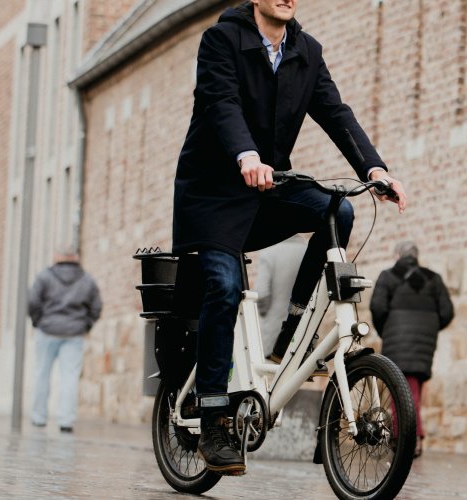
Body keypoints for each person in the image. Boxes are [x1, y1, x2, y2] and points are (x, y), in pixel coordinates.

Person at [172, 0, 407, 475]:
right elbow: (222, 104)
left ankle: (293, 327)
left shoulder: (306, 51)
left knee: (337, 209)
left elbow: (336, 113)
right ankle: (215, 415)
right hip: (214, 195)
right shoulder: (221, 40)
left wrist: (375, 169)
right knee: (222, 285)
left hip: (265, 190)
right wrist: (245, 155)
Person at [370, 241, 454, 458]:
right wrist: (431, 328)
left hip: (395, 339)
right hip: (425, 343)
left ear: (398, 256)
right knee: (413, 389)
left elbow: (377, 308)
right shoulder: (434, 279)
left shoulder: (387, 276)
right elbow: (447, 311)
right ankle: (412, 437)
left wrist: (385, 330)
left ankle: (408, 439)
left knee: (400, 389)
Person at [27, 247, 102, 433]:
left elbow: (33, 302)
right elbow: (96, 306)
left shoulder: (44, 276)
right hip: (74, 333)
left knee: (41, 375)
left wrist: (39, 322)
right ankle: (66, 421)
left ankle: (39, 417)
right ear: (75, 258)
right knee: (70, 377)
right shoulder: (87, 279)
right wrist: (86, 325)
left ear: (56, 257)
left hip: (47, 330)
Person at [254, 235, 307, 358]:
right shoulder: (308, 250)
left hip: (273, 333)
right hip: (302, 332)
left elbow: (261, 294)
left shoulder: (269, 250)